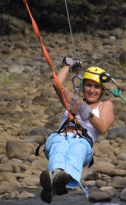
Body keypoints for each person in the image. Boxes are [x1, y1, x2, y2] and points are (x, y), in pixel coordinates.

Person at [39, 57, 114, 203]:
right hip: (60, 136)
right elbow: (57, 84)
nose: (92, 90)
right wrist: (68, 65)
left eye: (96, 87)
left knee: (77, 149)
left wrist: (86, 111)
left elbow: (103, 127)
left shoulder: (105, 105)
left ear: (102, 90)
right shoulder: (75, 101)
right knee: (59, 145)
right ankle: (56, 179)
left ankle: (59, 180)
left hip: (83, 142)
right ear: (83, 85)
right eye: (89, 86)